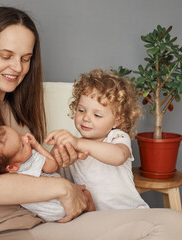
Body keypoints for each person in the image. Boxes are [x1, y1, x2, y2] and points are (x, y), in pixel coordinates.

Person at [0, 6, 182, 240]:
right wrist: (63, 189)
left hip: (30, 221)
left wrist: (64, 166)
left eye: (25, 59)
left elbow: (34, 171)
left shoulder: (12, 108)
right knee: (172, 226)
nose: (17, 68)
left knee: (174, 223)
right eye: (6, 56)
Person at [46, 69, 149, 211]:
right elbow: (54, 176)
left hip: (129, 213)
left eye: (97, 115)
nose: (86, 118)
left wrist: (78, 143)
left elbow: (118, 156)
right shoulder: (74, 146)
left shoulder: (116, 137)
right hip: (96, 219)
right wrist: (56, 153)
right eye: (81, 110)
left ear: (117, 121)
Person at [0, 125, 94, 221]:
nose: (25, 139)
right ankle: (92, 219)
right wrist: (37, 146)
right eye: (22, 145)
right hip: (60, 203)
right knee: (86, 194)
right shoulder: (32, 160)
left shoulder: (5, 177)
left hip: (46, 213)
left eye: (19, 135)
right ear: (12, 166)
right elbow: (52, 166)